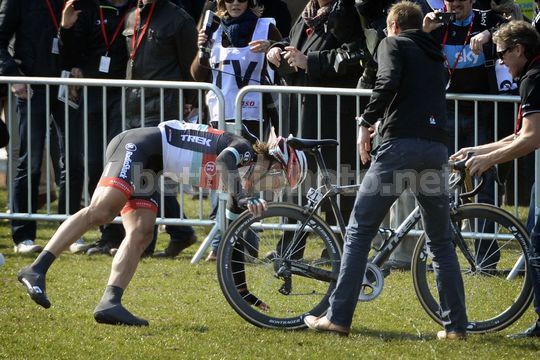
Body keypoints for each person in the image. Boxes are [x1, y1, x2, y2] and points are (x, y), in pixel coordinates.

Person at [17, 119, 308, 326]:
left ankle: (110, 302)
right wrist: (244, 195)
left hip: (154, 166)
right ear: (271, 161)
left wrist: (244, 294)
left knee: (142, 232)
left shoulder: (238, 188)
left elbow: (234, 246)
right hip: (139, 146)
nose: (277, 187)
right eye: (281, 178)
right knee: (102, 211)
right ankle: (36, 269)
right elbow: (222, 162)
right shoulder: (243, 149)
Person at [304, 1, 468, 339]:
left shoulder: (392, 43)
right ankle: (456, 327)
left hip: (399, 150)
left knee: (359, 230)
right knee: (440, 242)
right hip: (435, 147)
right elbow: (414, 98)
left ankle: (337, 317)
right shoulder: (435, 54)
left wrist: (366, 122)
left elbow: (387, 83)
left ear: (392, 25)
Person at [451, 20, 540, 338]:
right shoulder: (533, 74)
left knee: (538, 243)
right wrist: (477, 149)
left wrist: (487, 160)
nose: (500, 61)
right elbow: (520, 135)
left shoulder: (534, 78)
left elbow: (531, 139)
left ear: (519, 49)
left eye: (502, 53)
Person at [190, 0, 282, 260]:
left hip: (252, 117)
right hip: (219, 116)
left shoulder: (266, 27)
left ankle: (236, 244)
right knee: (222, 180)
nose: (235, 3)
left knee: (245, 181)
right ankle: (227, 243)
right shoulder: (215, 29)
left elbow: (286, 56)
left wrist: (274, 48)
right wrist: (202, 48)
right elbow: (198, 74)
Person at [423, 0, 506, 267]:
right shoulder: (436, 21)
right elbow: (405, 47)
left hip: (482, 112)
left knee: (484, 182)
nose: (454, 3)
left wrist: (490, 34)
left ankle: (486, 256)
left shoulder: (486, 18)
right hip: (446, 113)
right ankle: (443, 255)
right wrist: (424, 31)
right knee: (444, 184)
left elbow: (515, 26)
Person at [266, 0, 363, 225]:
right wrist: (276, 49)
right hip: (301, 114)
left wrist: (309, 61)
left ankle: (337, 248)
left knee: (337, 185)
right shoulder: (309, 12)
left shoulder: (347, 13)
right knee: (297, 181)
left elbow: (356, 55)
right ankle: (291, 249)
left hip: (333, 116)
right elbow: (294, 42)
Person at [0, 0, 84, 254]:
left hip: (63, 85)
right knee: (30, 158)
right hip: (30, 85)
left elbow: (74, 44)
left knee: (72, 157)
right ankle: (23, 235)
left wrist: (67, 31)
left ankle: (69, 232)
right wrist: (14, 76)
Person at [59, 0, 136, 255]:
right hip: (91, 94)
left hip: (124, 95)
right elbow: (70, 55)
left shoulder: (136, 9)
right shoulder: (88, 8)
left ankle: (117, 234)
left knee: (117, 163)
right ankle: (105, 231)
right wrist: (66, 28)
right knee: (94, 163)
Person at [123, 0, 199, 257]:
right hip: (134, 106)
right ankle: (180, 232)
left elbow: (192, 67)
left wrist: (191, 103)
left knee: (149, 175)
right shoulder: (131, 16)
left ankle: (159, 239)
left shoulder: (180, 19)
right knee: (143, 175)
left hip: (165, 108)